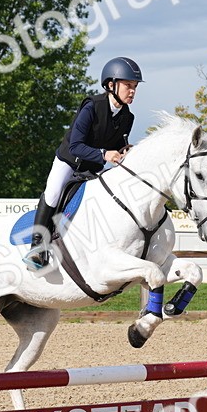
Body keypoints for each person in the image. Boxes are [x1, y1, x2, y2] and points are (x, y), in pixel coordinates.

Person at [24, 56, 142, 269]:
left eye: (134, 87)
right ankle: (37, 246)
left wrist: (125, 153)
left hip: (92, 168)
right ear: (110, 85)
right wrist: (105, 154)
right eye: (128, 85)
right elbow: (75, 146)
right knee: (52, 192)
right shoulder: (92, 106)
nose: (132, 91)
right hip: (69, 162)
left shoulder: (128, 117)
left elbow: (117, 147)